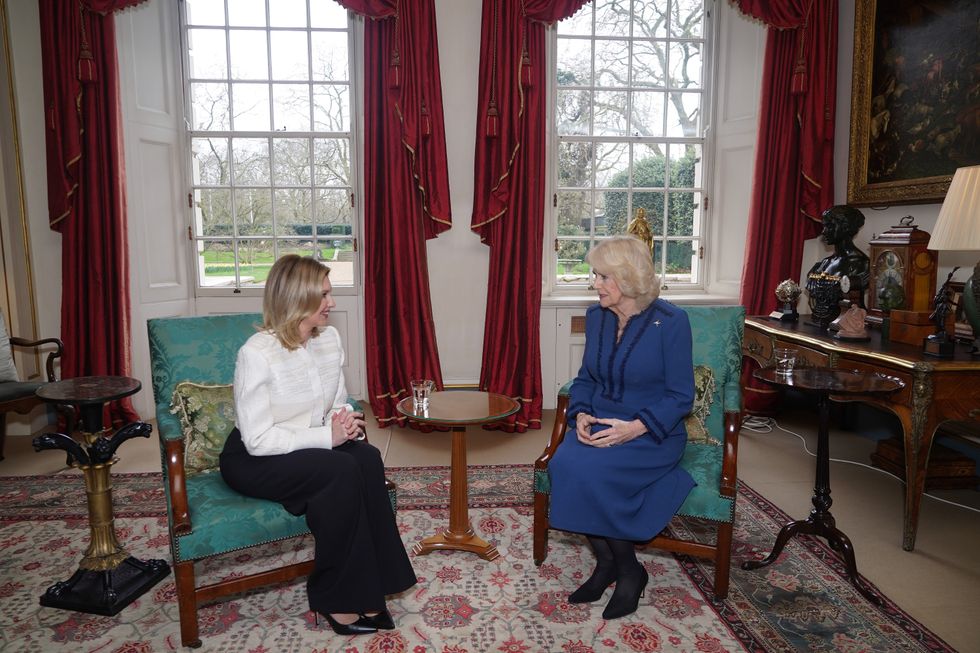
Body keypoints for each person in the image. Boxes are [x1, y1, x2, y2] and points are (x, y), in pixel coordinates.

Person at [219, 254, 416, 636]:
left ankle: (374, 587)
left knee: (368, 458)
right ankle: (335, 598)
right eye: (324, 294)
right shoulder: (256, 354)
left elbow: (339, 399)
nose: (333, 303)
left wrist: (343, 420)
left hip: (309, 444)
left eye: (331, 293)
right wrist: (327, 437)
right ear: (297, 297)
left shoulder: (329, 340)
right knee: (340, 471)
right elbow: (258, 440)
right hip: (255, 456)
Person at [547, 236, 696, 620]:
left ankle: (630, 570)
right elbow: (586, 379)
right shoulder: (596, 317)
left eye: (602, 276)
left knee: (593, 474)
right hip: (599, 424)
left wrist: (635, 428)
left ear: (628, 280)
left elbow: (681, 396)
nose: (594, 283)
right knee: (564, 465)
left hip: (650, 433)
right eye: (595, 275)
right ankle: (607, 561)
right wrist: (579, 413)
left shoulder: (672, 321)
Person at [805, 205, 871, 310]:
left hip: (848, 322)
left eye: (829, 226)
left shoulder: (863, 264)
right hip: (822, 320)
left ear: (845, 227)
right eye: (824, 226)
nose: (823, 231)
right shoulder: (824, 263)